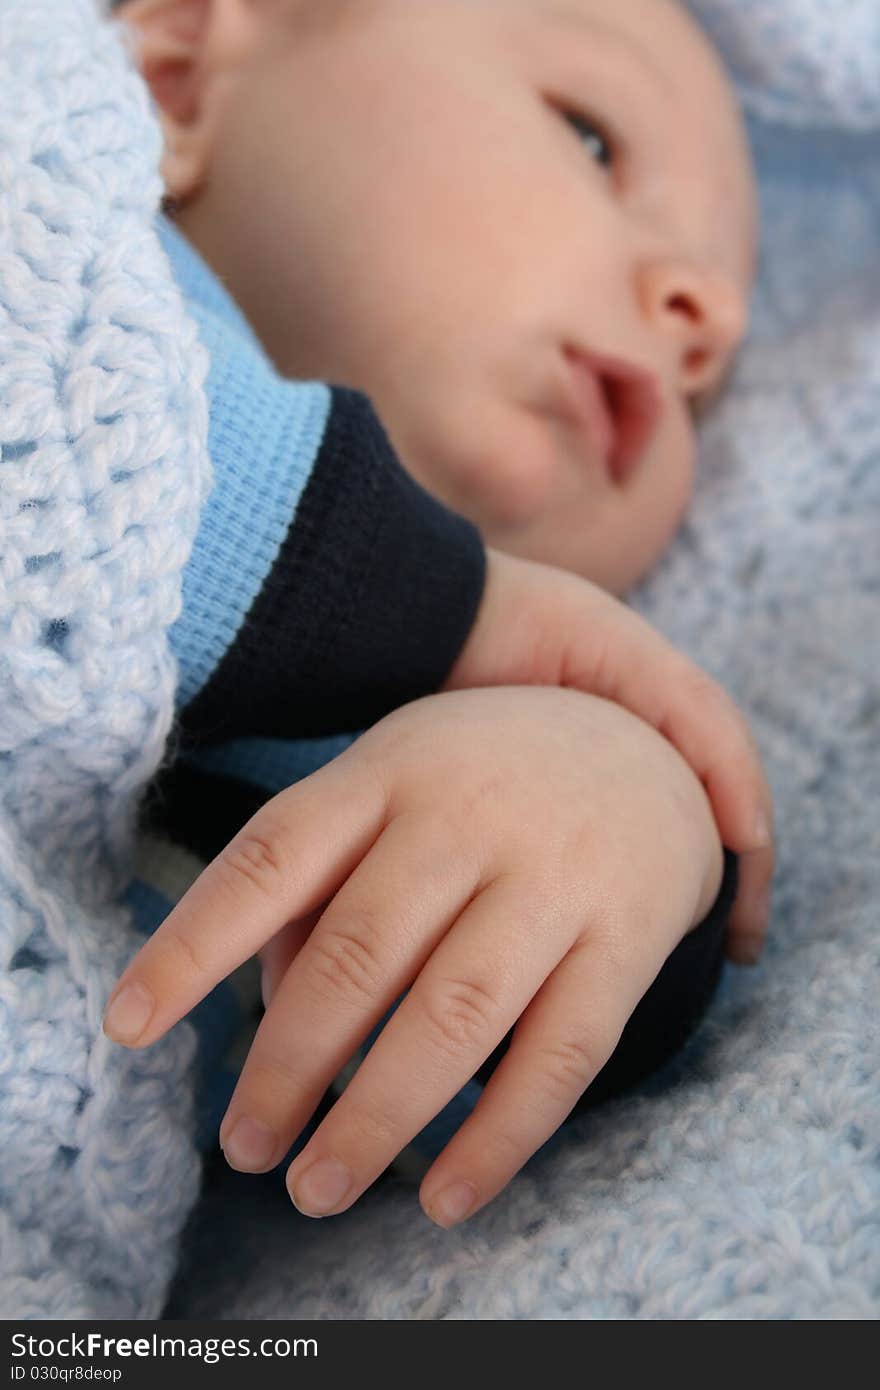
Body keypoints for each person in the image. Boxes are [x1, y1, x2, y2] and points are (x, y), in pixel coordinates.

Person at [103, 0, 773, 1229]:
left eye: (708, 377)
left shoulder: (383, 747)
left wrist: (618, 810)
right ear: (181, 76)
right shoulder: (41, 206)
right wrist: (420, 600)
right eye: (591, 140)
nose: (703, 319)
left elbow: (406, 1070)